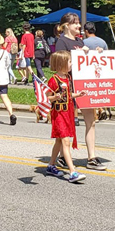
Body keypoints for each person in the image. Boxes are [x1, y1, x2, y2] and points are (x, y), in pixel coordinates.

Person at [55, 12, 106, 171]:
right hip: (69, 87)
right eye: (75, 23)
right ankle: (63, 155)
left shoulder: (80, 41)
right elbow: (60, 64)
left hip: (84, 86)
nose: (79, 26)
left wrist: (96, 53)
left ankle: (91, 157)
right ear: (66, 26)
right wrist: (78, 54)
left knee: (91, 121)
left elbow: (87, 62)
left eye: (78, 23)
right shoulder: (61, 42)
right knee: (68, 124)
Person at [45, 50, 87, 183]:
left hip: (68, 113)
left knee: (58, 141)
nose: (71, 64)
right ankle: (72, 171)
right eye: (69, 62)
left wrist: (77, 95)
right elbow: (46, 98)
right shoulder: (53, 80)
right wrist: (54, 97)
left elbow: (68, 95)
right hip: (59, 115)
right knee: (65, 142)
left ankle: (51, 165)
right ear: (60, 64)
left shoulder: (67, 78)